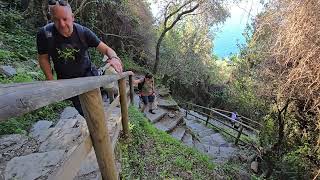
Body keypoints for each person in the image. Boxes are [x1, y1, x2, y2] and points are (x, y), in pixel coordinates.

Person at [36, 0, 123, 116]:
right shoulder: (45, 34)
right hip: (68, 82)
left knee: (96, 111)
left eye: (65, 19)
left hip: (88, 77)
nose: (61, 24)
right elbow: (43, 58)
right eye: (56, 20)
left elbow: (107, 49)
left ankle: (100, 128)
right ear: (51, 18)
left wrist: (114, 58)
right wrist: (50, 79)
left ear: (72, 17)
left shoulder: (83, 32)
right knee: (84, 112)